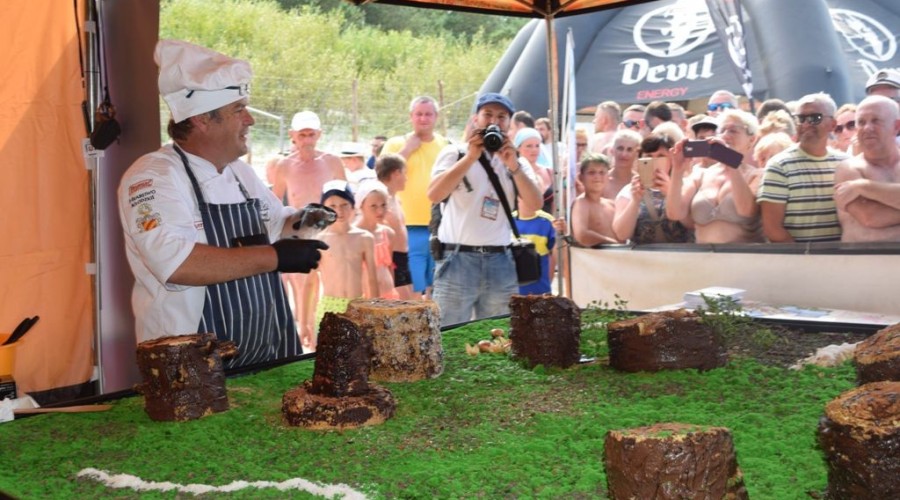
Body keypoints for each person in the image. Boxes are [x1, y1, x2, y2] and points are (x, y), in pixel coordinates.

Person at [117, 40, 326, 367]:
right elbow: (178, 264)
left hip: (265, 356)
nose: (249, 120)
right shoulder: (153, 176)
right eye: (238, 110)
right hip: (190, 371)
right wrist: (274, 256)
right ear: (202, 119)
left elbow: (277, 225)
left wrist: (308, 219)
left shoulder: (240, 172)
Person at [427, 92, 542, 327]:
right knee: (448, 331)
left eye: (501, 116)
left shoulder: (516, 160)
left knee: (497, 332)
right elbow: (434, 194)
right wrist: (470, 158)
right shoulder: (455, 153)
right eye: (487, 114)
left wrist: (513, 165)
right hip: (457, 259)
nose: (494, 121)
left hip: (501, 259)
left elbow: (535, 204)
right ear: (475, 119)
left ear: (510, 124)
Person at [267, 110, 345, 333]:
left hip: (331, 234)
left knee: (333, 286)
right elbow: (275, 204)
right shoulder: (285, 166)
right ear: (293, 135)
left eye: (311, 135)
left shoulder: (332, 162)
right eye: (302, 135)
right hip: (301, 236)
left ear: (319, 134)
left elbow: (346, 198)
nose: (307, 140)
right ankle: (305, 332)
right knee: (303, 289)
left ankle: (332, 333)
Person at [380, 96, 449, 299]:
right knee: (412, 288)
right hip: (406, 227)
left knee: (436, 287)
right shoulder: (395, 144)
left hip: (439, 226)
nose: (423, 119)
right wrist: (408, 149)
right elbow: (381, 175)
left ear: (436, 117)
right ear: (411, 116)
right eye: (418, 114)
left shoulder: (444, 145)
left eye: (428, 114)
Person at [757, 92, 848, 243]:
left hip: (843, 261)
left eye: (815, 118)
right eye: (801, 118)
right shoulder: (778, 166)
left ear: (832, 124)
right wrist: (805, 260)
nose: (806, 124)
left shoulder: (846, 164)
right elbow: (772, 228)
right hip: (799, 263)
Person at [666, 109, 764, 243]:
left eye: (733, 130)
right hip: (704, 260)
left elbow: (746, 210)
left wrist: (729, 158)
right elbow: (674, 213)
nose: (726, 135)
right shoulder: (700, 174)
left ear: (751, 140)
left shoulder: (757, 175)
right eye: (722, 130)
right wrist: (677, 169)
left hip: (742, 259)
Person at [301, 181, 377, 350]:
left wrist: (377, 314)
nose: (339, 210)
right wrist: (304, 323)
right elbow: (309, 284)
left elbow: (372, 279)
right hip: (329, 307)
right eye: (332, 205)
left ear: (353, 206)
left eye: (344, 204)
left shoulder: (364, 238)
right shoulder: (318, 240)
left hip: (357, 305)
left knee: (358, 360)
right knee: (328, 362)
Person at [833, 95, 900, 242]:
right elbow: (871, 216)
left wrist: (863, 186)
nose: (867, 128)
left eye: (876, 121)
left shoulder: (857, 184)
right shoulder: (848, 169)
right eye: (861, 122)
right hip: (864, 261)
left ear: (896, 126)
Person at [612, 133, 692, 244]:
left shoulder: (686, 186)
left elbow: (691, 224)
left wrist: (671, 193)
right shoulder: (629, 190)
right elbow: (622, 234)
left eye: (660, 156)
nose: (654, 162)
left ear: (672, 159)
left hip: (680, 257)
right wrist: (635, 201)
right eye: (649, 156)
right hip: (643, 259)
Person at [375, 153, 415, 299]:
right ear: (396, 172)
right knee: (405, 304)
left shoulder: (395, 198)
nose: (407, 178)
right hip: (391, 260)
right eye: (405, 173)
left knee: (413, 302)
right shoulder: (380, 199)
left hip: (402, 258)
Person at [354, 180, 399, 298]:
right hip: (364, 300)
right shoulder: (353, 235)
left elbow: (390, 267)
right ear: (361, 206)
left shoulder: (388, 233)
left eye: (383, 205)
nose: (380, 211)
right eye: (373, 206)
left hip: (389, 296)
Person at [571, 154, 619, 246]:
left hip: (620, 257)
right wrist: (614, 244)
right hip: (597, 258)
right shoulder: (581, 203)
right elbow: (582, 235)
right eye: (591, 172)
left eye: (602, 172)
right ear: (581, 177)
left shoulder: (612, 205)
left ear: (608, 176)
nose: (597, 176)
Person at [513, 198, 557, 296]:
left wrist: (549, 282)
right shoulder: (508, 220)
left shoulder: (548, 221)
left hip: (540, 289)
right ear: (518, 198)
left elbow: (555, 255)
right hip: (512, 290)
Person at [515, 127, 554, 213]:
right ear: (518, 148)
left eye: (537, 146)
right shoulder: (513, 173)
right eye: (529, 146)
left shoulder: (549, 172)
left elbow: (555, 205)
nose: (534, 150)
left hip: (546, 224)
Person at [603, 129, 642, 199]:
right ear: (612, 151)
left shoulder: (640, 182)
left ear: (637, 153)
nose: (624, 154)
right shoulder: (602, 180)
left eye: (629, 150)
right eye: (620, 148)